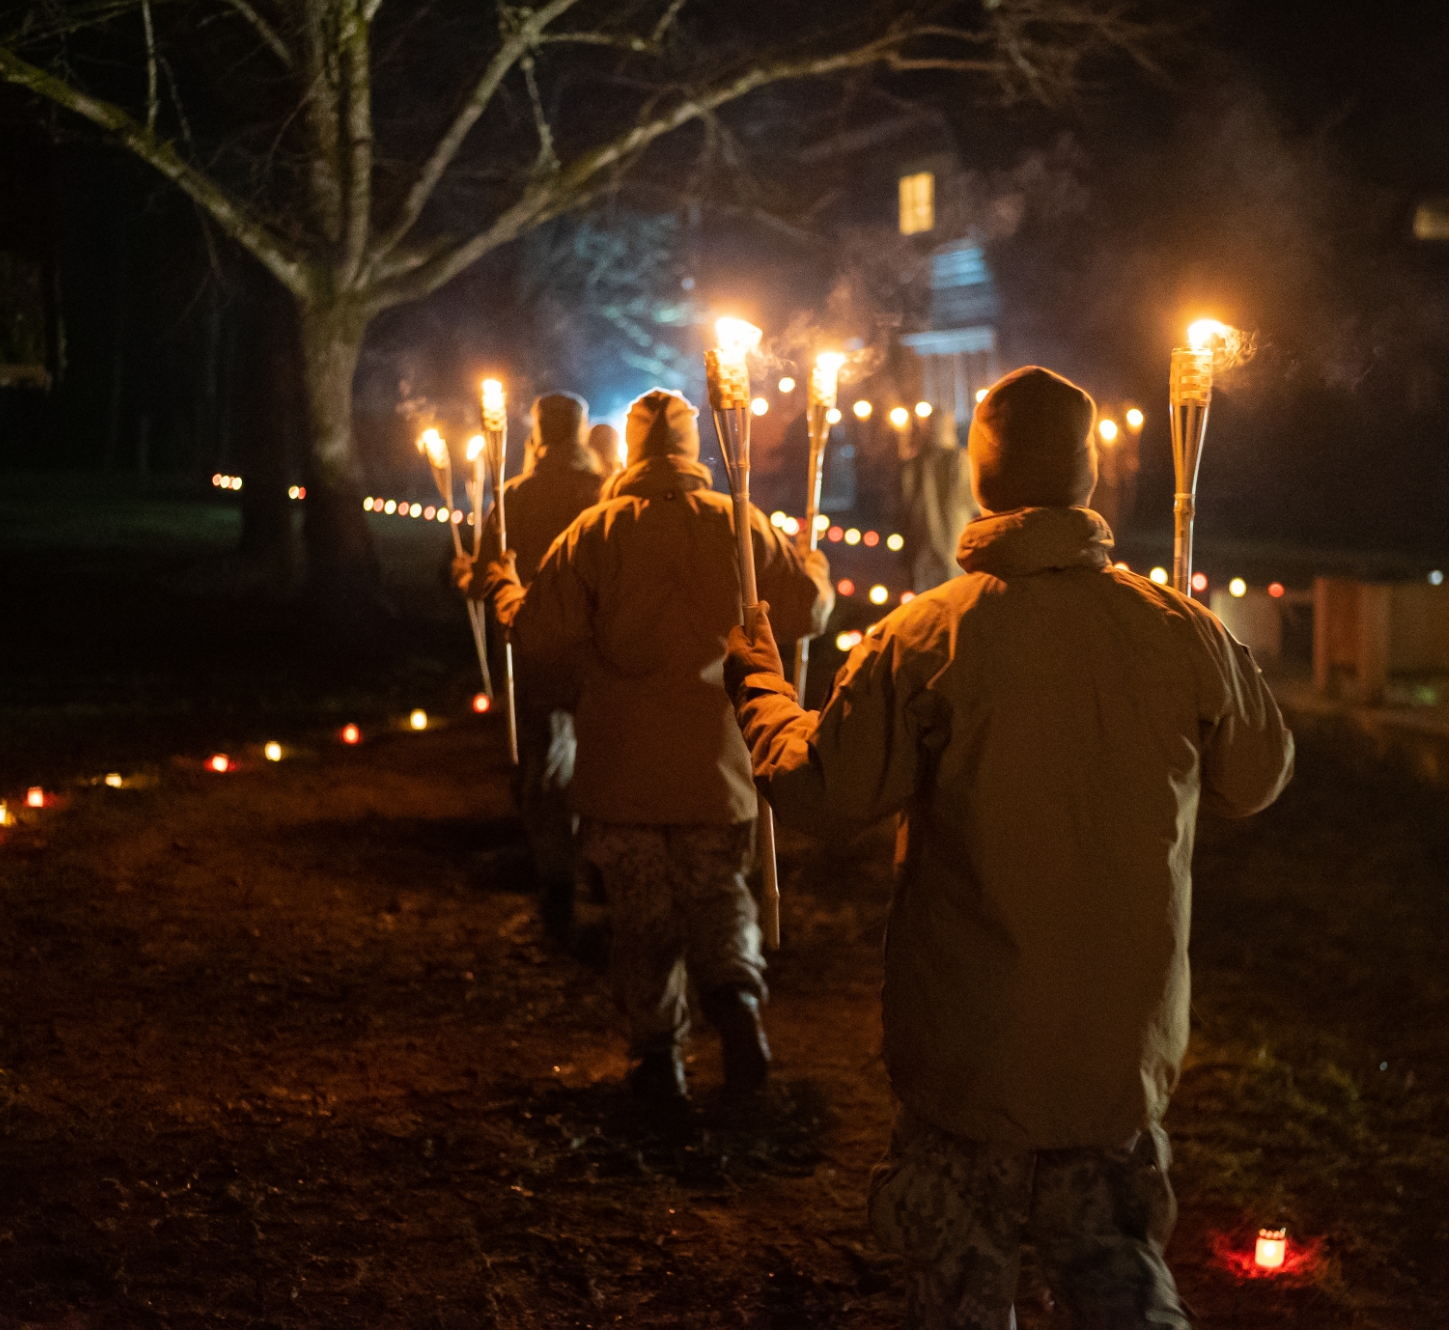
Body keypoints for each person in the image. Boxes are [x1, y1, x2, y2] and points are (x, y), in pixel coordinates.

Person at [722, 366, 1295, 1327]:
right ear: (1091, 476)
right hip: (1118, 1046)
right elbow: (1258, 775)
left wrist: (761, 687)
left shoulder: (927, 636)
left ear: (980, 481)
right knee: (1116, 1271)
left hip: (969, 1053)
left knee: (961, 1287)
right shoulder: (1176, 630)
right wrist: (1212, 654)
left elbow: (825, 787)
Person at [474, 388, 833, 1104]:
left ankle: (660, 1057)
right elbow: (804, 611)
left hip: (622, 765)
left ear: (633, 448)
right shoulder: (741, 524)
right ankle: (735, 1000)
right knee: (717, 890)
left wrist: (504, 590)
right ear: (695, 446)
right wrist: (813, 566)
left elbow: (540, 631)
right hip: (716, 759)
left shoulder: (596, 531)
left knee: (643, 912)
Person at [459, 393, 607, 935]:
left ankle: (558, 883)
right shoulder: (603, 494)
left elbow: (487, 575)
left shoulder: (516, 496)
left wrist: (470, 575)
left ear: (538, 433)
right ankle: (601, 872)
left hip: (538, 652)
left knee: (547, 772)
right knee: (600, 765)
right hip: (596, 655)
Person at [896, 404, 978, 591]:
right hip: (952, 542)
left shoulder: (916, 461)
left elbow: (905, 500)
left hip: (923, 542)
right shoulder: (960, 458)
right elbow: (971, 501)